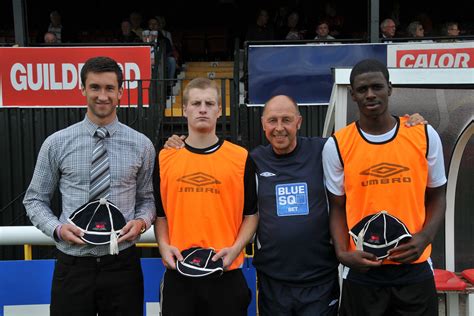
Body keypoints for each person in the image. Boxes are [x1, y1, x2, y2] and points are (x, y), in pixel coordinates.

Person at [164, 93, 426, 315]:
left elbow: (368, 149)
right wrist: (178, 143)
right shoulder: (252, 160)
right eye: (273, 121)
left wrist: (406, 124)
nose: (280, 127)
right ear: (263, 124)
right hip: (273, 280)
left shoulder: (324, 151)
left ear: (299, 122)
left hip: (319, 280)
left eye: (287, 120)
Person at [23, 56, 156, 315]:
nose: (102, 95)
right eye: (95, 87)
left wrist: (141, 222)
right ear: (82, 89)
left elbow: (148, 199)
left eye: (109, 88)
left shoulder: (142, 145)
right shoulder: (56, 143)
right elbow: (34, 199)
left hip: (122, 265)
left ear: (120, 92)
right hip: (73, 265)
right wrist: (58, 229)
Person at [323, 59, 447, 315]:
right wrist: (342, 252)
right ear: (353, 94)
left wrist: (425, 237)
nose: (370, 94)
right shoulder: (337, 145)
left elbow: (438, 194)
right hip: (363, 270)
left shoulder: (423, 135)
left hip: (414, 266)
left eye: (377, 86)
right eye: (362, 89)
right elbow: (336, 206)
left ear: (390, 88)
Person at [154, 77, 258, 316]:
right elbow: (161, 215)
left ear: (219, 110)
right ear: (184, 109)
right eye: (196, 103)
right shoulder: (165, 158)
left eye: (209, 103)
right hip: (179, 275)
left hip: (226, 273)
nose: (203, 108)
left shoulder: (240, 158)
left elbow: (251, 215)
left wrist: (235, 249)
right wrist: (163, 246)